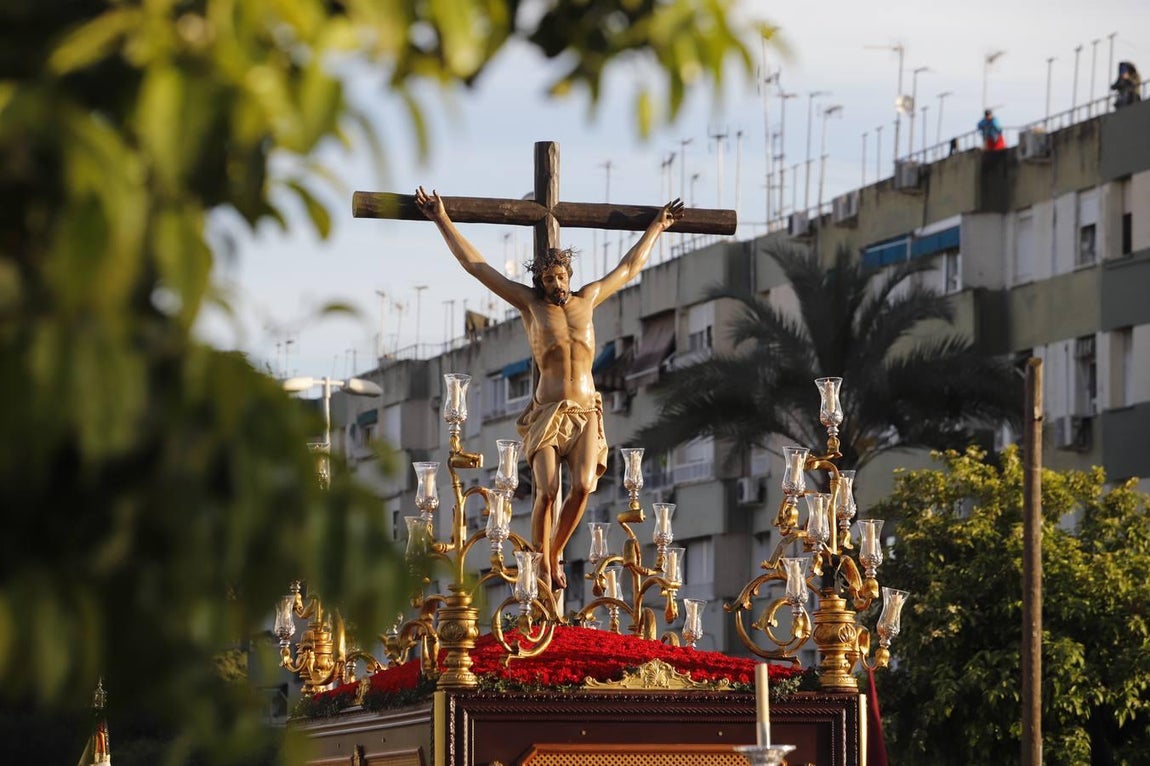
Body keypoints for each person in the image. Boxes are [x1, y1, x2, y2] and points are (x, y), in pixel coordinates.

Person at [415, 187, 684, 589]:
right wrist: (441, 219)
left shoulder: (588, 299)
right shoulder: (530, 306)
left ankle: (554, 552)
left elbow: (629, 268)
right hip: (548, 412)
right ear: (539, 282)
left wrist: (657, 227)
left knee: (584, 486)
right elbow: (477, 267)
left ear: (569, 276)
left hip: (586, 409)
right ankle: (542, 560)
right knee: (547, 489)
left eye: (560, 276)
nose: (556, 283)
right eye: (548, 278)